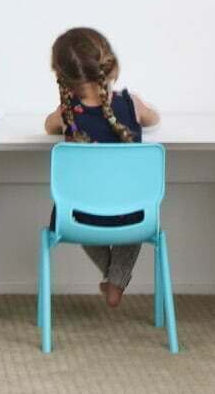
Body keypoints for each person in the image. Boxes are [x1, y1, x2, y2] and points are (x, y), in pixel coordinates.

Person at [44, 26, 159, 308]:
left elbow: (48, 127)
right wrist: (140, 107)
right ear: (109, 65)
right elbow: (154, 119)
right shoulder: (131, 105)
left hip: (79, 218)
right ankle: (116, 281)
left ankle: (113, 278)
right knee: (136, 212)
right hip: (133, 216)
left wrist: (61, 113)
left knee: (73, 209)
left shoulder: (67, 113)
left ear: (63, 78)